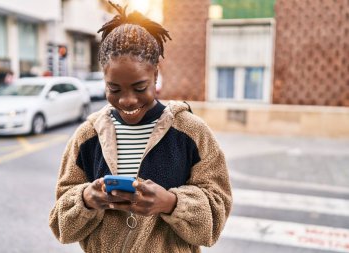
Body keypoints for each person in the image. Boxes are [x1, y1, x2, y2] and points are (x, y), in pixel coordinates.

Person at [49, 2, 232, 253]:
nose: (127, 100)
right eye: (114, 89)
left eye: (139, 87)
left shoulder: (192, 133)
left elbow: (215, 220)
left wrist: (170, 203)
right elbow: (61, 226)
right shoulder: (87, 136)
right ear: (103, 79)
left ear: (155, 74)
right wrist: (87, 199)